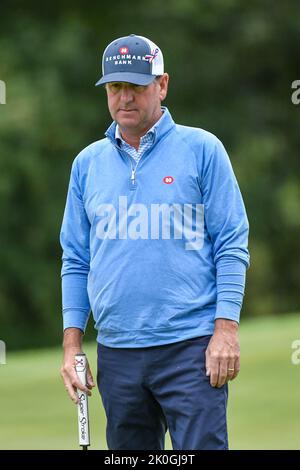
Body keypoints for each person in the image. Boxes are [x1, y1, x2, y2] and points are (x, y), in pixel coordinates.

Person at [60, 33, 250, 450]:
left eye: (136, 86)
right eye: (114, 87)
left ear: (162, 85)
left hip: (191, 350)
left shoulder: (202, 149)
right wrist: (72, 344)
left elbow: (232, 243)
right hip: (118, 353)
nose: (124, 98)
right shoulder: (87, 164)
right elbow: (76, 259)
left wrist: (226, 330)